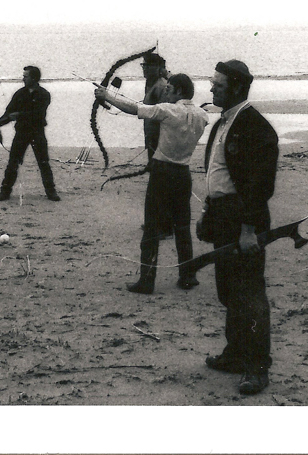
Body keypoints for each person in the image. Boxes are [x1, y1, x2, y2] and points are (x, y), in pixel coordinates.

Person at [195, 59, 279, 395]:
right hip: (222, 215)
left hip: (246, 219)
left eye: (218, 83)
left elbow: (259, 186)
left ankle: (257, 367)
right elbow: (217, 174)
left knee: (249, 295)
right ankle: (235, 354)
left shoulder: (257, 128)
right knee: (227, 291)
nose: (212, 88)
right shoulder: (222, 123)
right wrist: (207, 212)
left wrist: (248, 230)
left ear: (237, 87)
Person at [95, 73, 208, 294]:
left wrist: (106, 96)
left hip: (163, 171)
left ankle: (147, 280)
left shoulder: (168, 110)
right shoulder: (202, 115)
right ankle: (187, 276)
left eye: (169, 89)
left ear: (178, 91)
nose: (165, 92)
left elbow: (135, 108)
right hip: (183, 173)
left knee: (152, 227)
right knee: (182, 227)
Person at [0, 65, 61, 202]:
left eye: (26, 76)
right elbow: (9, 112)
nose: (23, 78)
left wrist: (19, 115)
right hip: (22, 132)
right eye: (23, 76)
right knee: (13, 162)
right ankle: (5, 192)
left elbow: (38, 114)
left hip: (37, 132)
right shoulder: (19, 94)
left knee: (43, 162)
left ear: (34, 78)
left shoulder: (44, 94)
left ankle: (51, 192)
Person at [141, 53, 175, 239]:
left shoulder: (161, 86)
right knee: (155, 181)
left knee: (160, 183)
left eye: (148, 66)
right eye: (143, 66)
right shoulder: (151, 84)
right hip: (151, 137)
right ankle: (155, 222)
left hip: (159, 139)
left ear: (158, 67)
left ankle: (165, 226)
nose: (145, 69)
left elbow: (164, 114)